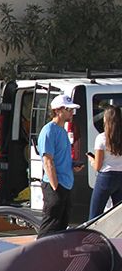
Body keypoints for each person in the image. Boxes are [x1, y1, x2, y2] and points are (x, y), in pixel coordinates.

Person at [39, 94, 82, 235]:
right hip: (56, 186)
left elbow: (61, 158)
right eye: (68, 109)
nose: (71, 112)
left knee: (61, 228)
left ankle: (56, 255)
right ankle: (40, 254)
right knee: (50, 227)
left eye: (72, 109)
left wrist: (73, 165)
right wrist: (56, 187)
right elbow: (48, 160)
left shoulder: (62, 131)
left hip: (65, 185)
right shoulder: (48, 131)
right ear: (58, 110)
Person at [92, 105, 122, 220]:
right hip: (121, 177)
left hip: (106, 177)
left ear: (107, 119)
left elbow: (97, 166)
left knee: (95, 215)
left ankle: (90, 237)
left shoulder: (102, 138)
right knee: (119, 216)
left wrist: (92, 160)